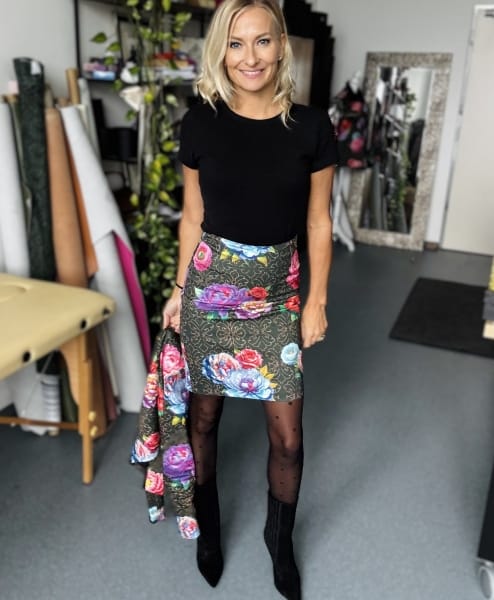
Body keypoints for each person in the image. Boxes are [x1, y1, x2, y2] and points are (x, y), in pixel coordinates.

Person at [162, 0, 338, 597]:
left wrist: (316, 301)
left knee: (288, 435)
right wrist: (178, 290)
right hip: (208, 290)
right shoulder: (200, 123)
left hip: (278, 295)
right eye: (236, 44)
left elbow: (318, 222)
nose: (250, 57)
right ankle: (209, 530)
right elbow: (192, 218)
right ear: (221, 52)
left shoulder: (311, 127)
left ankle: (278, 540)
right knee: (203, 419)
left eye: (262, 41)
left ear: (281, 45)